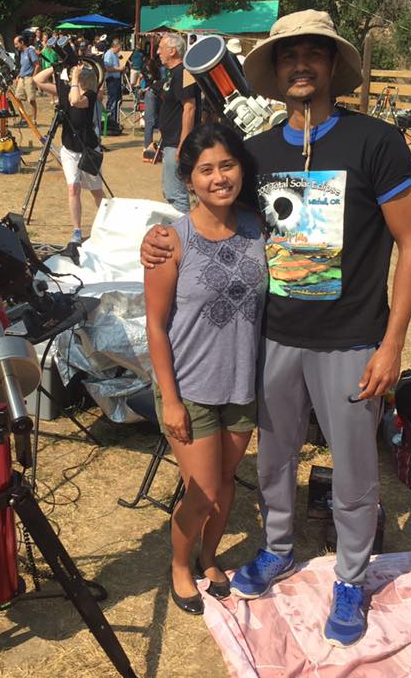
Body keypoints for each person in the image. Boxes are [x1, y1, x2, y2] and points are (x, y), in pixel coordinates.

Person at [142, 10, 411, 646]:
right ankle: (276, 548)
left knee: (353, 470)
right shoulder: (260, 153)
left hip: (352, 340)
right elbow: (214, 214)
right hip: (272, 340)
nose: (302, 64)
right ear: (275, 70)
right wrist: (160, 241)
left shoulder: (375, 143)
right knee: (274, 462)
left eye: (314, 54)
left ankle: (352, 578)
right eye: (289, 55)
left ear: (332, 66)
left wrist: (394, 341)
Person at [145, 122, 267, 616]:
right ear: (189, 179)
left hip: (241, 384)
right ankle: (180, 565)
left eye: (227, 165)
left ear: (241, 169)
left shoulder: (261, 227)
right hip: (190, 387)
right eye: (206, 169)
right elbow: (155, 326)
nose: (219, 177)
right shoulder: (171, 241)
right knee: (203, 491)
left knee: (228, 482)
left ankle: (210, 556)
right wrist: (169, 399)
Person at [33, 61, 105, 245]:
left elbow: (75, 101)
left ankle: (106, 224)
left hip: (88, 150)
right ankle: (77, 230)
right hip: (70, 150)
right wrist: (57, 66)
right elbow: (38, 80)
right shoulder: (66, 91)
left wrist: (73, 78)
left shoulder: (91, 94)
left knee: (96, 191)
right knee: (73, 189)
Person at [157, 32, 200, 212]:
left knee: (176, 194)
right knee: (172, 191)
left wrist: (183, 143)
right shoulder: (174, 73)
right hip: (171, 141)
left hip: (177, 142)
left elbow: (189, 107)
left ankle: (182, 235)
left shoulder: (183, 72)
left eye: (161, 48)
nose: (158, 52)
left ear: (173, 51)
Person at [13, 33, 39, 125]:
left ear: (22, 42)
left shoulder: (30, 51)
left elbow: (37, 65)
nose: (16, 46)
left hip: (29, 78)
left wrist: (33, 78)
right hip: (21, 78)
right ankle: (24, 119)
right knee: (17, 98)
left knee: (31, 100)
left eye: (16, 44)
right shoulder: (21, 53)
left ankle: (34, 120)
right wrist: (18, 76)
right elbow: (23, 66)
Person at [103, 38, 127, 129]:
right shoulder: (109, 54)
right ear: (116, 46)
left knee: (118, 100)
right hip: (112, 80)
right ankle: (110, 121)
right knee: (112, 101)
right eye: (120, 46)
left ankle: (115, 120)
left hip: (117, 79)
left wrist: (122, 70)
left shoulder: (115, 55)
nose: (120, 48)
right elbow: (107, 68)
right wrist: (119, 69)